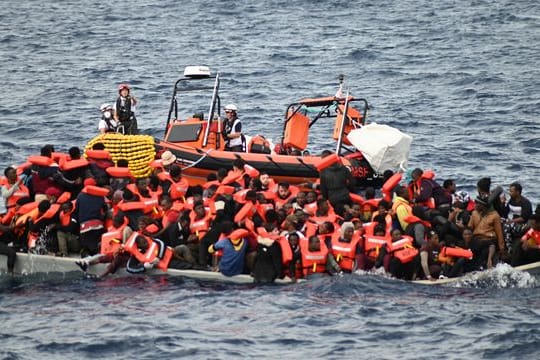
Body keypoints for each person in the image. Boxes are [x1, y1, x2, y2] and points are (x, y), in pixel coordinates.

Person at [467, 195, 505, 269]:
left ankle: (488, 262)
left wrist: (502, 248)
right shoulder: (474, 213)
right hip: (477, 239)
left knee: (487, 248)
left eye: (478, 203)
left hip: (489, 239)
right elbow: (470, 227)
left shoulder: (494, 215)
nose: (475, 205)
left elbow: (499, 233)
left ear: (483, 205)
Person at [318, 150, 354, 217]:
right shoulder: (343, 168)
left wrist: (326, 198)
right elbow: (352, 182)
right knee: (348, 212)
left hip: (333, 198)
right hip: (345, 195)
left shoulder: (323, 172)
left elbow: (323, 188)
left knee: (339, 215)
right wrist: (349, 190)